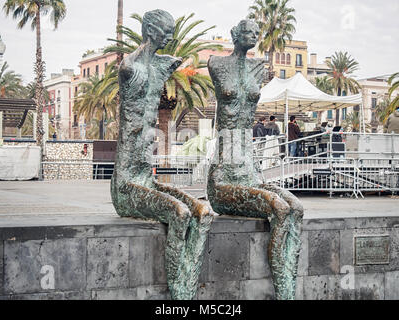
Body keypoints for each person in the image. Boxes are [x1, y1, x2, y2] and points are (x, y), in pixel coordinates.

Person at [110, 9, 213, 300]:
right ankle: (178, 293)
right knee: (180, 212)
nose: (171, 37)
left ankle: (188, 281)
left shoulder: (163, 66)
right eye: (167, 31)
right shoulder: (129, 67)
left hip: (146, 177)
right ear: (151, 30)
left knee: (203, 212)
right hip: (128, 184)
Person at [207, 19, 303, 300]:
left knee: (295, 206)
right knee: (280, 208)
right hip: (224, 173)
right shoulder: (216, 64)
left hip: (249, 168)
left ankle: (289, 284)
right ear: (235, 34)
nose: (253, 36)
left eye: (256, 33)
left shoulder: (257, 68)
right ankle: (285, 292)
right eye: (247, 31)